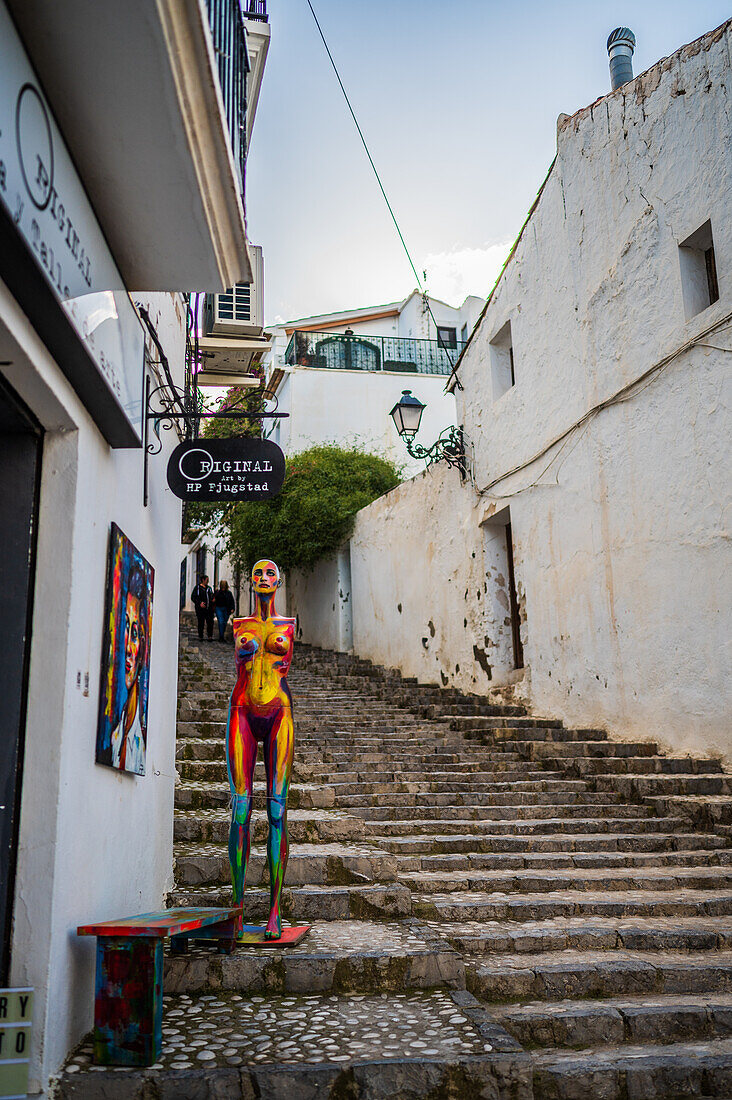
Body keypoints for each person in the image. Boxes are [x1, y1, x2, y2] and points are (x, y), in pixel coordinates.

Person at [226, 559, 295, 939]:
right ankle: (237, 908)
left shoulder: (288, 626)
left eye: (270, 573)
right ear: (250, 582)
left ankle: (274, 910)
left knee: (277, 811)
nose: (264, 579)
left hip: (280, 713)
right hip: (242, 711)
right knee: (239, 807)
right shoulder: (239, 625)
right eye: (258, 574)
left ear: (279, 580)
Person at [110, 564, 148, 774]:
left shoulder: (137, 739)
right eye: (125, 627)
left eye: (134, 633)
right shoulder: (116, 734)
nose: (128, 648)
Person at [191, 574, 214, 640]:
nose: (208, 581)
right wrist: (199, 603)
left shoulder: (209, 589)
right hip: (200, 609)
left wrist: (212, 600)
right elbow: (193, 597)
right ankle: (200, 635)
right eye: (207, 580)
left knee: (210, 622)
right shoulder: (197, 588)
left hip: (209, 609)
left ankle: (210, 636)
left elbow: (211, 596)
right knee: (201, 622)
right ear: (203, 580)